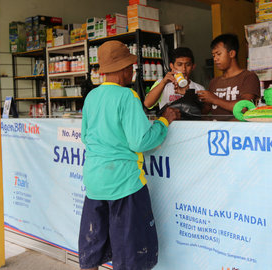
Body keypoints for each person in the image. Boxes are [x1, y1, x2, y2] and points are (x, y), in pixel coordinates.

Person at [78, 40, 180, 270]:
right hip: (125, 183)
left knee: (92, 247)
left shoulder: (91, 97)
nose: (132, 71)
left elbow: (85, 137)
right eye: (131, 67)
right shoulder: (128, 97)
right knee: (130, 255)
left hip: (94, 181)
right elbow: (141, 141)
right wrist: (165, 121)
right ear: (124, 69)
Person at [197, 33, 260, 116]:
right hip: (216, 128)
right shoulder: (214, 82)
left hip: (238, 128)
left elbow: (244, 108)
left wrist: (214, 99)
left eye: (218, 54)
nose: (215, 59)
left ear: (231, 54)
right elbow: (204, 111)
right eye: (213, 55)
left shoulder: (248, 77)